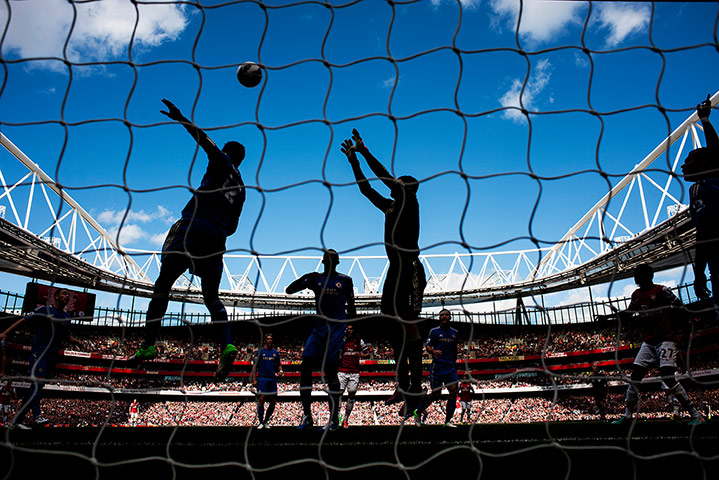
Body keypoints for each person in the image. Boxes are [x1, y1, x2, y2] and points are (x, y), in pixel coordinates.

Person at [133, 99, 246, 381]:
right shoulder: (242, 189)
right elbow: (233, 227)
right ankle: (227, 345)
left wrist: (181, 117)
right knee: (212, 298)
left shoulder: (220, 160)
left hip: (193, 228)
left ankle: (148, 346)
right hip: (217, 240)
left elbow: (203, 139)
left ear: (227, 152)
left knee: (164, 285)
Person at [341, 129, 427, 413]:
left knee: (409, 327)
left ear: (407, 187)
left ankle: (416, 389)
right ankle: (402, 387)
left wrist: (365, 151)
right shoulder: (391, 207)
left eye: (398, 182)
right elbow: (366, 189)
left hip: (411, 269)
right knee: (393, 329)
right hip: (394, 271)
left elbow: (383, 177)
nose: (394, 184)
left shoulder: (410, 202)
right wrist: (353, 161)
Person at [597, 264, 704, 425]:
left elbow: (681, 309)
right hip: (648, 342)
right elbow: (628, 313)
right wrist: (608, 317)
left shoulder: (663, 291)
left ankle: (695, 415)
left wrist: (683, 334)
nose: (635, 277)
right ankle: (627, 416)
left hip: (666, 340)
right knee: (635, 377)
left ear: (647, 275)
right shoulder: (636, 295)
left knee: (667, 376)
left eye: (637, 274)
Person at [286, 249, 356, 431]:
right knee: (306, 365)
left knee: (331, 371)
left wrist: (354, 331)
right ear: (324, 262)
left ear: (338, 262)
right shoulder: (315, 279)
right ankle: (307, 416)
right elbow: (289, 290)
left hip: (337, 329)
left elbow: (352, 307)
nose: (331, 261)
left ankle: (333, 420)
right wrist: (305, 277)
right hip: (319, 329)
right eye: (328, 259)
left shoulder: (346, 280)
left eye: (334, 259)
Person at [0, 287, 80, 428]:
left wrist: (75, 341)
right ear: (56, 297)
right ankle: (37, 416)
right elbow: (24, 320)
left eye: (69, 294)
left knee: (36, 388)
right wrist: (6, 332)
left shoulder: (67, 317)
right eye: (64, 293)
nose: (67, 296)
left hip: (52, 356)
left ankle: (16, 421)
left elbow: (67, 334)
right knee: (37, 384)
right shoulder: (44, 310)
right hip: (39, 353)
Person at [682, 94, 719, 314]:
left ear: (706, 162)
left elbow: (703, 235)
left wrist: (705, 120)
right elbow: (703, 235)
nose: (684, 165)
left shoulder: (707, 183)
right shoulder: (698, 188)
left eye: (690, 159)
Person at [414, 309, 459, 427]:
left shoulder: (455, 333)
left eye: (446, 315)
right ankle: (417, 412)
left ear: (450, 317)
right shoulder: (434, 332)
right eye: (442, 315)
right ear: (439, 318)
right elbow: (427, 346)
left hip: (450, 367)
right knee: (436, 395)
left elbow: (455, 349)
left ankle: (448, 421)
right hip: (438, 367)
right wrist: (433, 351)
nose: (444, 317)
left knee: (454, 391)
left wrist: (454, 362)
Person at [337, 324, 369, 428]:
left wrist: (361, 355)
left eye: (351, 329)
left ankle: (345, 419)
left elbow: (367, 353)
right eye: (348, 329)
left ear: (354, 330)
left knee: (351, 395)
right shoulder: (342, 340)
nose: (349, 330)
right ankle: (336, 418)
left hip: (354, 372)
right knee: (339, 394)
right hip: (342, 371)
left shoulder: (359, 341)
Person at [251, 333, 283, 429]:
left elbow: (279, 365)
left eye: (271, 339)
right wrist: (254, 379)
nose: (269, 340)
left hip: (272, 378)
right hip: (262, 378)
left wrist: (280, 371)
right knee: (261, 399)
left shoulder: (276, 353)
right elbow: (254, 366)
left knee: (273, 401)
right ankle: (261, 422)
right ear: (265, 341)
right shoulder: (260, 352)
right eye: (268, 339)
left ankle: (266, 421)